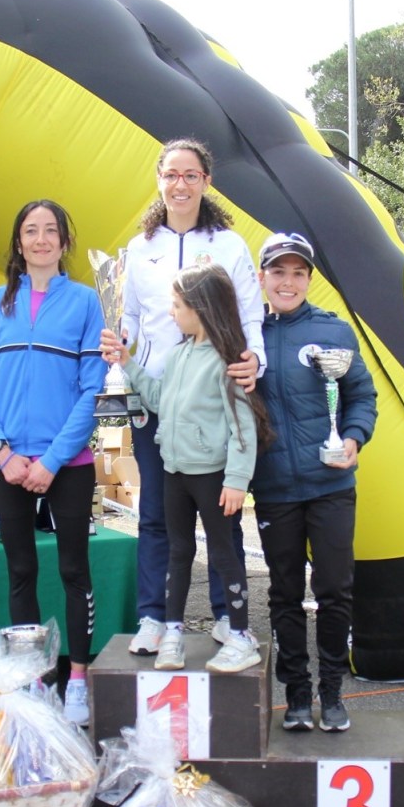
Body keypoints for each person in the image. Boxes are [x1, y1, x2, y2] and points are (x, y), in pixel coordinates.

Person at [121, 137, 267, 656]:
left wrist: (254, 360)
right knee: (156, 515)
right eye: (171, 175)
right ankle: (154, 618)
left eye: (190, 175)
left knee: (220, 518)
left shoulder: (228, 245)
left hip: (211, 398)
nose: (179, 184)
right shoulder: (140, 248)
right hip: (156, 399)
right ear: (158, 180)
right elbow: (129, 315)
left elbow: (250, 313)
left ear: (206, 182)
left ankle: (229, 619)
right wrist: (122, 350)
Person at [0, 199, 107, 727]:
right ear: (19, 242)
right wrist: (2, 451)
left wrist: (51, 459)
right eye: (31, 230)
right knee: (21, 570)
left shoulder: (86, 302)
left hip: (66, 462)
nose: (42, 239)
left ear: (64, 243)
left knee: (74, 570)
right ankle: (31, 681)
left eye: (51, 231)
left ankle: (78, 679)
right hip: (7, 463)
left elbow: (93, 389)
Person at [103, 263, 273, 673]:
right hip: (174, 474)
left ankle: (240, 636)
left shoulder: (228, 361)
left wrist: (236, 481)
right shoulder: (177, 355)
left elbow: (243, 427)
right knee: (179, 553)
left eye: (177, 305)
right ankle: (173, 632)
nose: (171, 312)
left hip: (213, 477)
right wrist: (128, 363)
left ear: (201, 307)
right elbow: (159, 399)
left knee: (224, 553)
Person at [251, 231, 377, 732]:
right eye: (278, 272)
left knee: (334, 591)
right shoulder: (247, 334)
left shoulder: (334, 331)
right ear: (262, 277)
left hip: (330, 485)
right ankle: (297, 695)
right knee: (283, 593)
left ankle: (332, 692)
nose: (288, 281)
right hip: (274, 487)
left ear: (308, 279)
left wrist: (353, 437)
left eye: (297, 273)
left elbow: (361, 395)